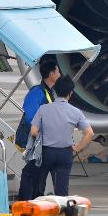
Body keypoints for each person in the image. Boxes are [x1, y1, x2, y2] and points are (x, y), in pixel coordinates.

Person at [30, 76, 94, 196]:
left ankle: (39, 209)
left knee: (38, 186)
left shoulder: (43, 109)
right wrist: (78, 148)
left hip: (46, 152)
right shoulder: (76, 112)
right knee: (61, 190)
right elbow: (89, 133)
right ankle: (62, 212)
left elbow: (33, 131)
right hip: (65, 153)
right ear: (70, 93)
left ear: (55, 91)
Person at [16, 60, 60, 200]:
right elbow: (31, 117)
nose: (60, 74)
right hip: (34, 139)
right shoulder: (37, 92)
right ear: (51, 74)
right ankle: (26, 201)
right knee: (31, 171)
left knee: (40, 171)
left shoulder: (49, 92)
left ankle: (35, 198)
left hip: (43, 140)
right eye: (58, 71)